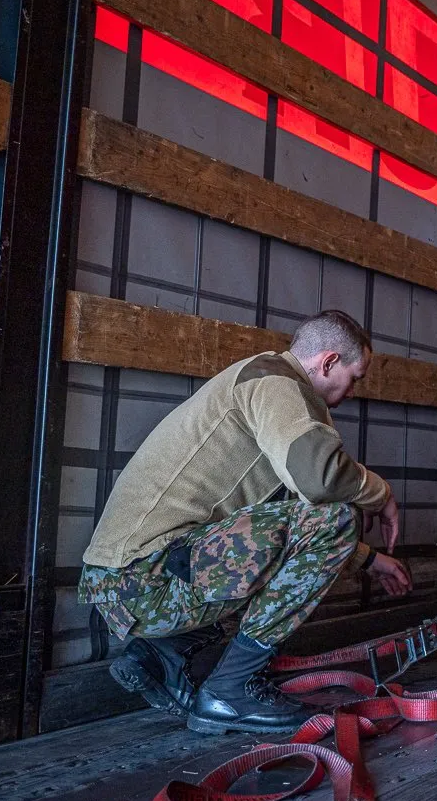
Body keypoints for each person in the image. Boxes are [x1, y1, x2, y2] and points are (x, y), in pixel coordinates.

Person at [78, 310, 412, 736]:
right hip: (146, 580)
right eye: (355, 377)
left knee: (312, 535)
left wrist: (371, 561)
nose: (353, 390)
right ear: (328, 362)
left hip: (131, 579)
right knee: (339, 515)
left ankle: (162, 655)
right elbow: (321, 483)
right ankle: (230, 691)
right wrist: (381, 494)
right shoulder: (275, 383)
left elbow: (295, 532)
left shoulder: (268, 389)